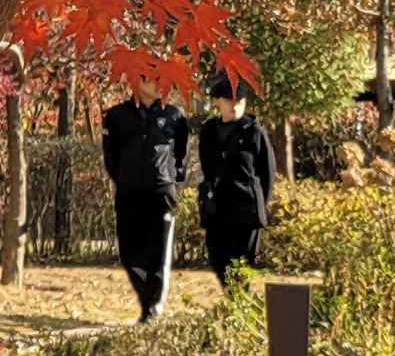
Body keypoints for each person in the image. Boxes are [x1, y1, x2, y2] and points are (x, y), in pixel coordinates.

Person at [101, 79, 190, 322]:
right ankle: (146, 296)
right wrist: (123, 177)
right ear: (138, 81)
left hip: (161, 192)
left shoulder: (174, 115)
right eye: (154, 79)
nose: (161, 85)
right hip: (129, 192)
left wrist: (174, 178)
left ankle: (151, 306)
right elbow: (110, 154)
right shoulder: (117, 116)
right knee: (129, 255)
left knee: (157, 253)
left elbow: (182, 151)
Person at [195, 82, 277, 284]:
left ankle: (238, 300)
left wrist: (259, 203)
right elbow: (207, 167)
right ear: (217, 102)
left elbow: (267, 172)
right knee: (219, 263)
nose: (235, 106)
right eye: (229, 101)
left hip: (245, 210)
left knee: (242, 266)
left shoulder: (254, 131)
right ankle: (230, 297)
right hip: (216, 209)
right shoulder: (209, 131)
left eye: (239, 101)